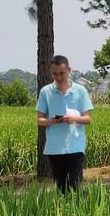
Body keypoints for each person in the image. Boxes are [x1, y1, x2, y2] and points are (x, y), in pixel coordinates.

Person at [36, 55, 93, 193]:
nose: (58, 77)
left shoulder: (80, 91)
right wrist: (52, 121)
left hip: (75, 146)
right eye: (54, 74)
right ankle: (64, 212)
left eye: (61, 73)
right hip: (55, 147)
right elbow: (40, 120)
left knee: (74, 185)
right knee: (61, 187)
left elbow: (88, 119)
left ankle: (76, 212)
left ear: (69, 70)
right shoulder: (46, 92)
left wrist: (74, 119)